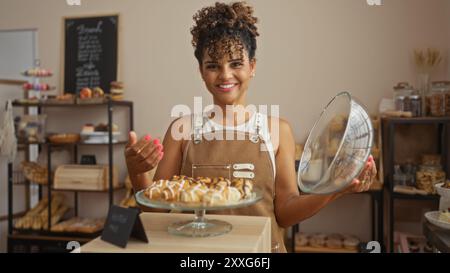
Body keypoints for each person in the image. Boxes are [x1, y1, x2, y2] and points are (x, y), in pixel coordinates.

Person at [125, 1, 377, 253]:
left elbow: (285, 213)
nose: (225, 75)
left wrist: (334, 191)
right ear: (201, 71)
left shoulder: (278, 130)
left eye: (236, 64)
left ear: (252, 66)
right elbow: (155, 209)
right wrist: (137, 172)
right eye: (213, 65)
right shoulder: (181, 130)